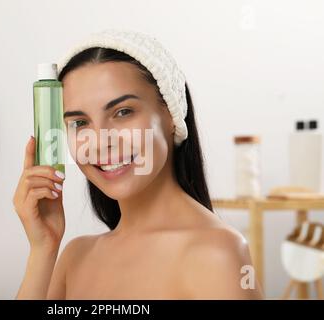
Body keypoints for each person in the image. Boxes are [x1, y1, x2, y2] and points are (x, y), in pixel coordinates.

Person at [13, 29, 264, 299]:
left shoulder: (217, 254)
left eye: (123, 112)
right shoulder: (75, 257)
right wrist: (43, 249)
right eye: (80, 123)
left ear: (172, 115)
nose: (100, 142)